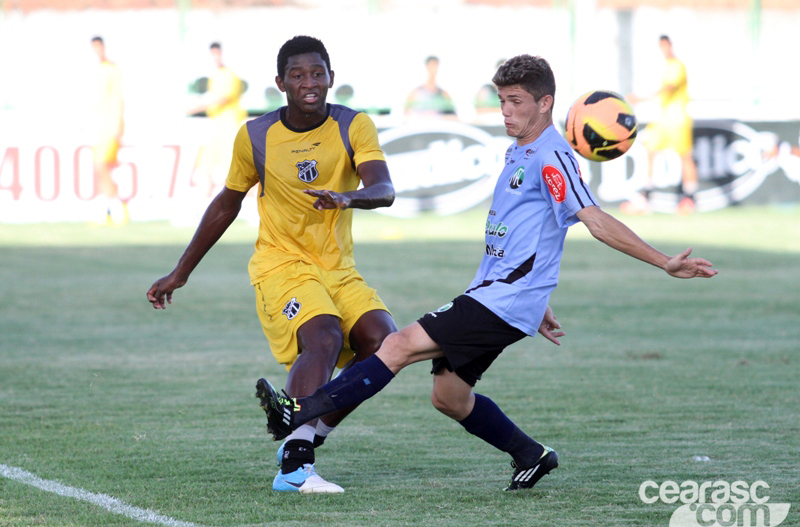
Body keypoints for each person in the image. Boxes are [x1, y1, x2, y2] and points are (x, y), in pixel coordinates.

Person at [256, 54, 718, 491]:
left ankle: (299, 412)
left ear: (546, 104)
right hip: (507, 294)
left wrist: (664, 262)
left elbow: (593, 219)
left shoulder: (552, 157)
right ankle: (530, 454)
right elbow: (536, 233)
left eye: (516, 102)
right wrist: (538, 299)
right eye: (502, 101)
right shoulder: (520, 151)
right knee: (449, 396)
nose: (506, 111)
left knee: (396, 345)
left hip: (502, 298)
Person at [147, 36, 398, 494]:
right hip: (280, 263)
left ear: (331, 78)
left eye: (317, 73)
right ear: (280, 82)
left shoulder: (353, 125)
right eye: (298, 75)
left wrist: (347, 197)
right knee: (321, 335)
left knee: (384, 343)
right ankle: (295, 468)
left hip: (337, 267)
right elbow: (227, 203)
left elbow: (384, 189)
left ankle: (305, 435)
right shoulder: (256, 134)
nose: (309, 83)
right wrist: (181, 271)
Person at [626, 35, 698, 215]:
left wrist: (640, 98)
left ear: (671, 46)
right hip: (663, 118)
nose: (664, 49)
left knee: (685, 156)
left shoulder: (677, 66)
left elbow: (669, 88)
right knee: (650, 150)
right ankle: (646, 196)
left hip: (678, 118)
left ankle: (689, 198)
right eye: (661, 46)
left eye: (665, 46)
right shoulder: (665, 66)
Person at [187, 42, 247, 197]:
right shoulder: (214, 76)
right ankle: (203, 210)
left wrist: (196, 107)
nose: (215, 58)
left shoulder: (229, 75)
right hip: (216, 130)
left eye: (217, 54)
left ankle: (255, 207)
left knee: (239, 173)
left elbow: (223, 98)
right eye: (212, 54)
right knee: (203, 171)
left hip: (230, 129)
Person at [89, 36, 126, 225]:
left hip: (110, 127)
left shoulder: (112, 70)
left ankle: (117, 207)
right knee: (99, 168)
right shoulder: (97, 70)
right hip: (100, 127)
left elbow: (118, 99)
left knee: (102, 166)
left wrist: (118, 126)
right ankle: (108, 209)